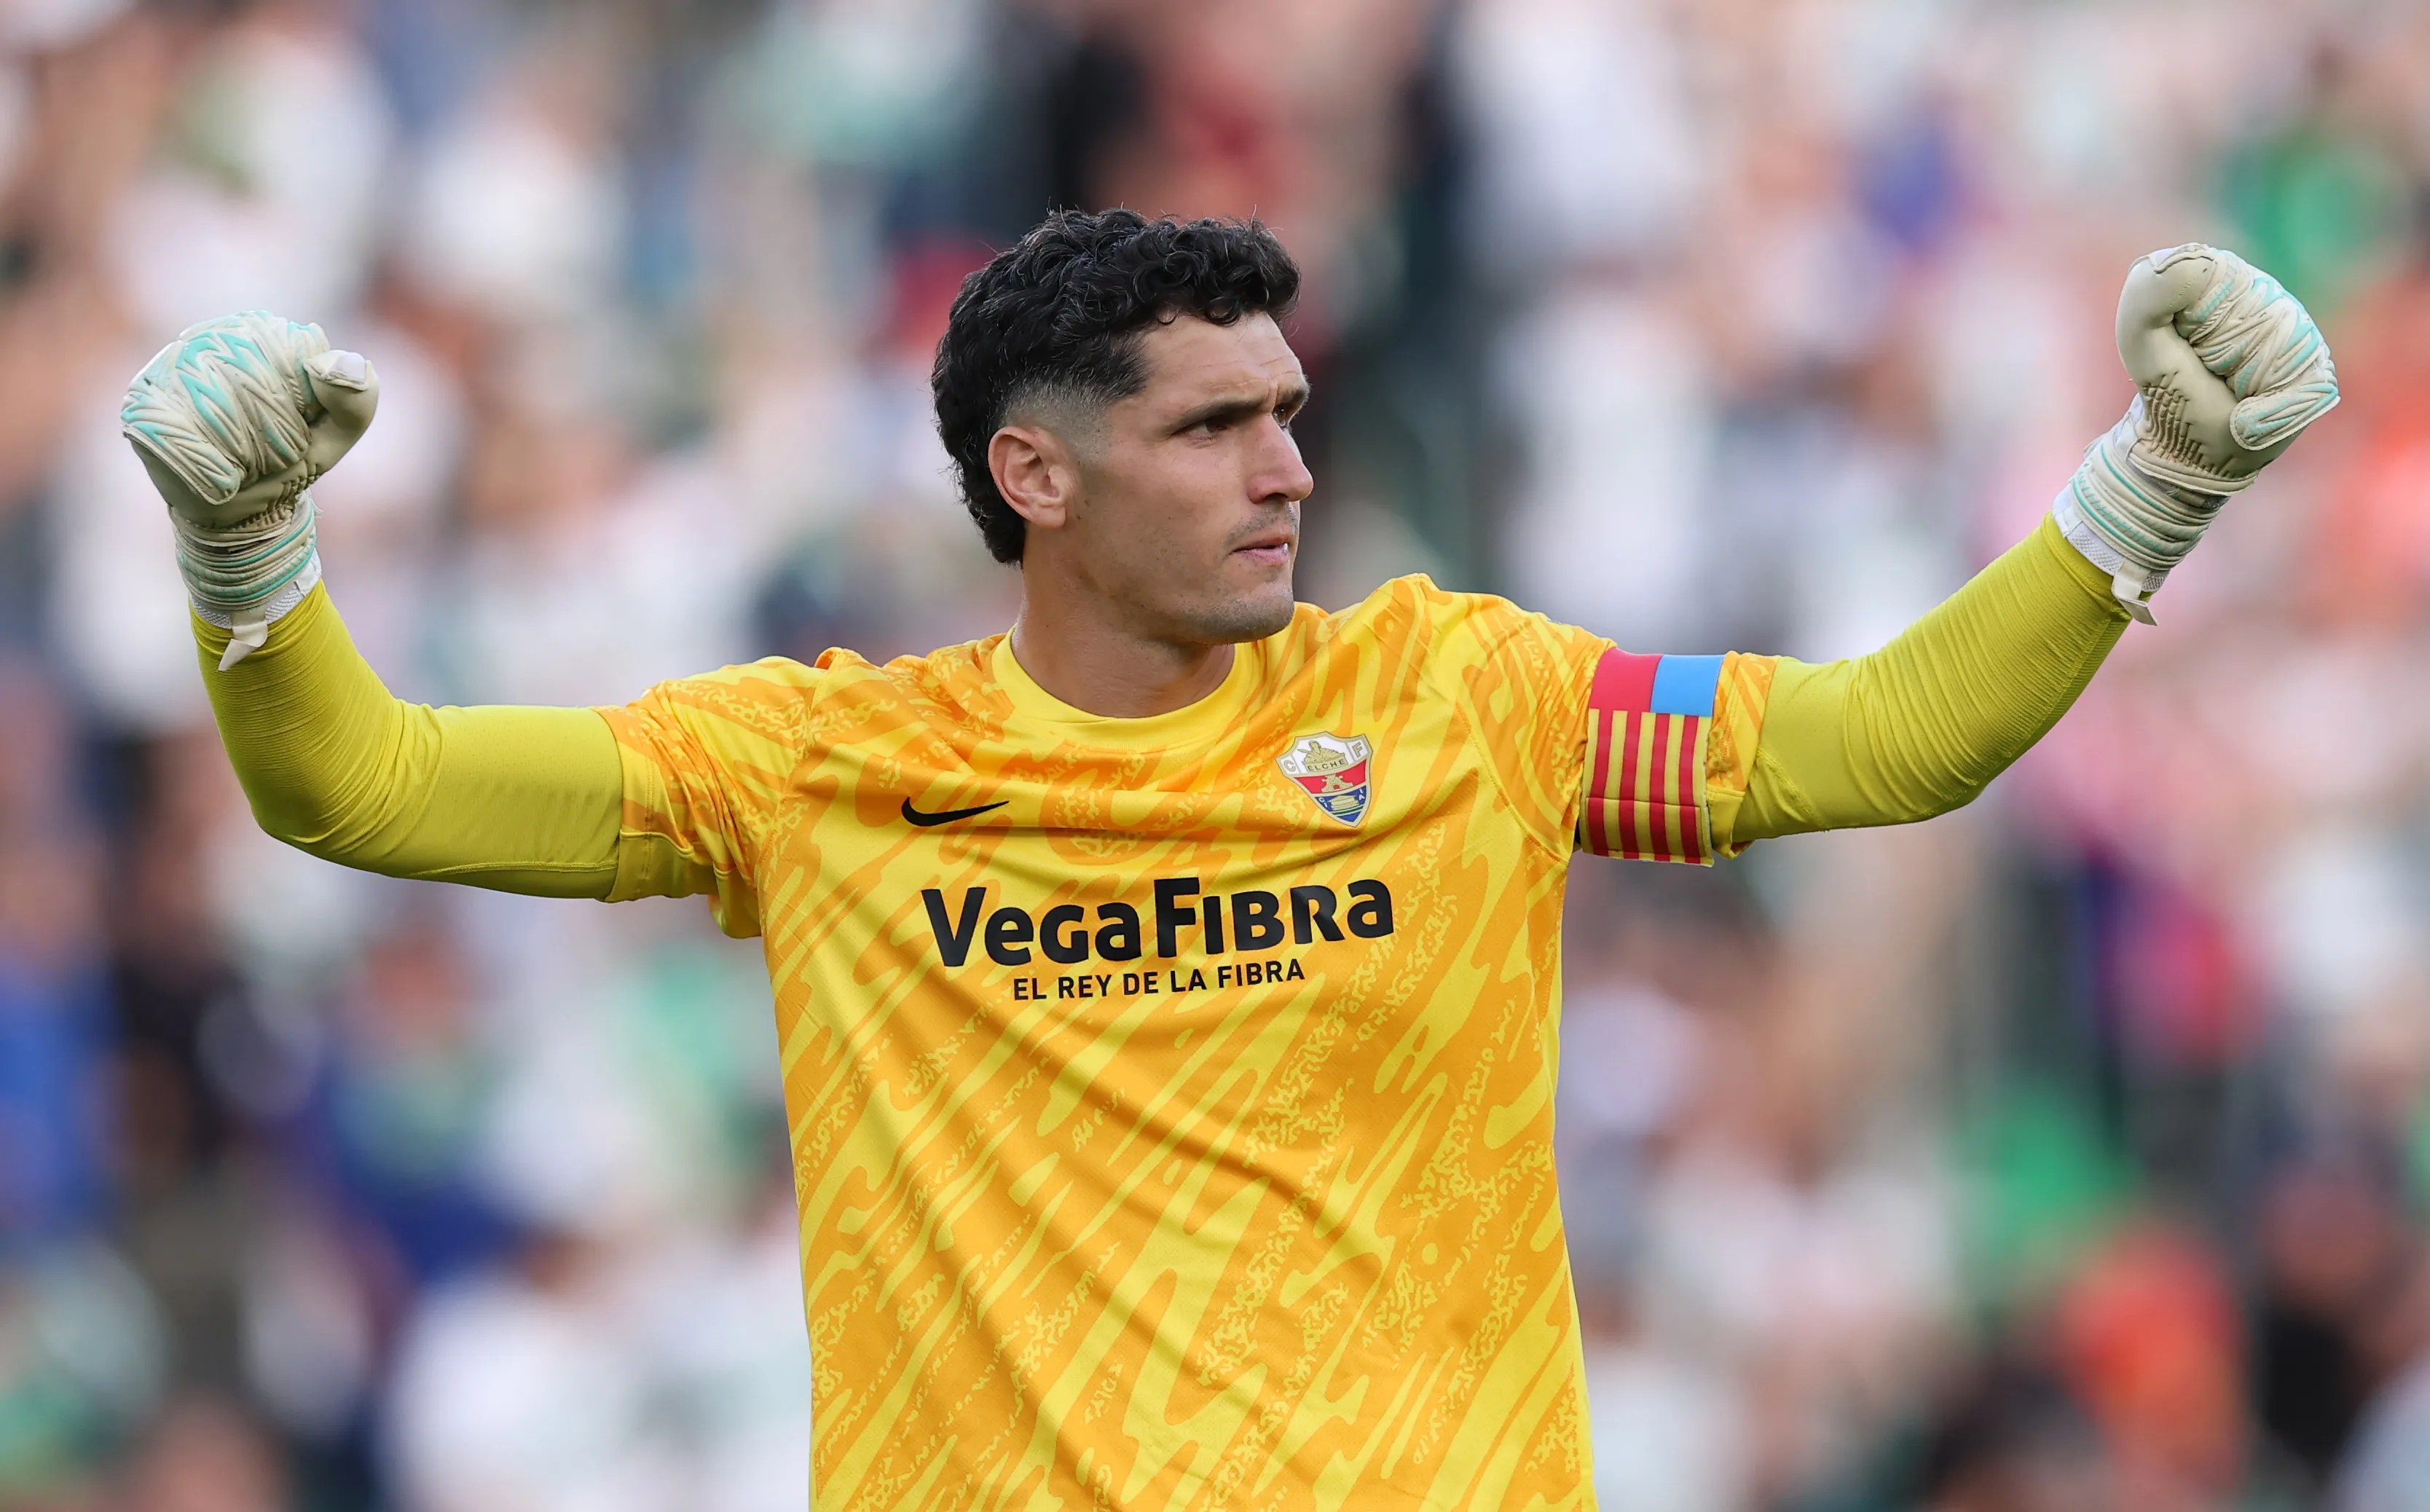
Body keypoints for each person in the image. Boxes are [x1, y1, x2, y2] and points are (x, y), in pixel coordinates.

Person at [119, 210, 2335, 1507]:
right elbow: (364, 788)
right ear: (1038, 475)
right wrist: (247, 556)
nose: (1289, 467)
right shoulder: (824, 769)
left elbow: (1883, 739)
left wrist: (2152, 482)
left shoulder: (1467, 699)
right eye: (1215, 426)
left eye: (1289, 412)